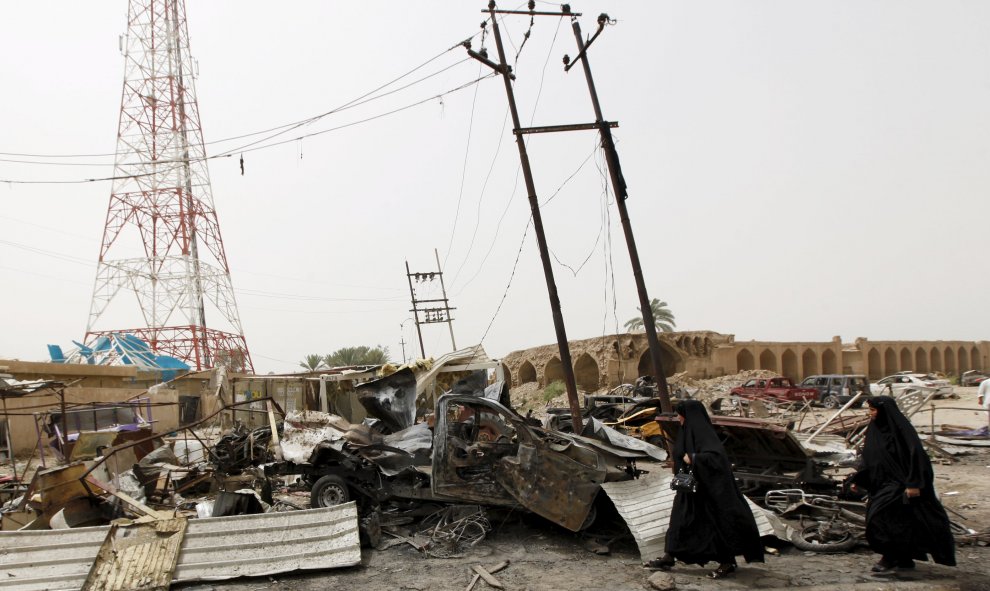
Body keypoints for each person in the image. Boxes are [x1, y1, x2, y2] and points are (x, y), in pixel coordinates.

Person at [645, 400, 764, 579]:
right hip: (689, 491)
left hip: (709, 493)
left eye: (680, 414)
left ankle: (727, 562)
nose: (678, 418)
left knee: (715, 526)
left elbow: (717, 459)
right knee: (679, 523)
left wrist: (693, 458)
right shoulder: (687, 431)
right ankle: (669, 556)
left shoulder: (703, 433)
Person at [850, 396, 956, 575]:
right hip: (880, 484)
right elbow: (868, 457)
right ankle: (904, 558)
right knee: (899, 523)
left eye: (873, 410)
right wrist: (858, 479)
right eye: (870, 410)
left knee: (879, 519)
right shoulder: (874, 430)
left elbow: (917, 457)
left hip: (900, 484)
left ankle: (889, 557)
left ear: (884, 411)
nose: (871, 414)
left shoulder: (901, 430)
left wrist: (914, 483)